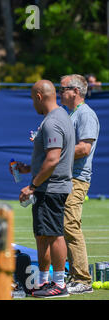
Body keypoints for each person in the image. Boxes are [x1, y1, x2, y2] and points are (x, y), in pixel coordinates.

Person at [11, 80, 75, 298]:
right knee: (42, 235)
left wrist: (32, 185)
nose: (33, 104)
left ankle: (59, 284)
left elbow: (53, 159)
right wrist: (29, 168)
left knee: (54, 234)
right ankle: (44, 281)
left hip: (51, 188)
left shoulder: (52, 122)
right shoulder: (60, 117)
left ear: (39, 96)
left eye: (32, 99)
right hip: (49, 186)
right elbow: (50, 158)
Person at [59, 74, 99, 294]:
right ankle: (70, 274)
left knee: (70, 226)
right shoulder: (71, 114)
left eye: (62, 88)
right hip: (66, 177)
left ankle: (83, 280)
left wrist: (56, 154)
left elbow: (84, 148)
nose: (59, 92)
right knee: (62, 226)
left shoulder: (86, 114)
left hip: (77, 178)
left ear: (74, 91)